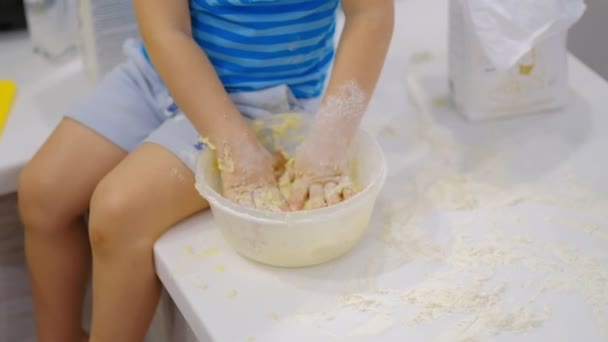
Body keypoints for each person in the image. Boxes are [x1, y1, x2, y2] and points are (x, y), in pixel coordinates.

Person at [17, 0, 394, 340]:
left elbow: (370, 14)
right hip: (159, 72)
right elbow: (166, 29)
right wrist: (234, 150)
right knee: (41, 191)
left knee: (118, 213)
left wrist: (327, 143)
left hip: (262, 105)